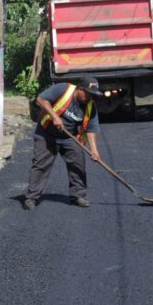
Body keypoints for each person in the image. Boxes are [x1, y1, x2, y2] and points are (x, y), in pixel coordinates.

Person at [23, 76, 102, 210]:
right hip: (46, 134)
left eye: (93, 95)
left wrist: (94, 151)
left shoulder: (90, 105)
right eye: (88, 94)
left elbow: (92, 129)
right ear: (80, 89)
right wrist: (54, 116)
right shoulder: (63, 89)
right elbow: (40, 99)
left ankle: (77, 196)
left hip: (69, 137)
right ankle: (31, 197)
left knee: (78, 164)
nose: (90, 97)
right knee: (41, 165)